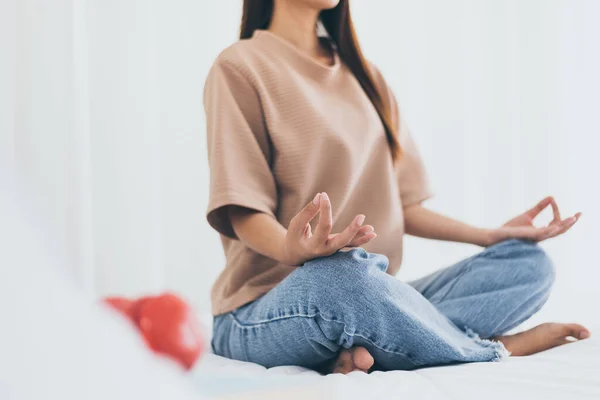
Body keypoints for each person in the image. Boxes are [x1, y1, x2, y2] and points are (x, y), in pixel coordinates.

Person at [203, 0, 590, 374]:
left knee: (527, 264)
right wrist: (291, 248)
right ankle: (491, 348)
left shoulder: (366, 76)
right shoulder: (239, 66)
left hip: (374, 292)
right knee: (341, 278)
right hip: (265, 309)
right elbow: (242, 208)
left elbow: (404, 206)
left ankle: (366, 345)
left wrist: (490, 236)